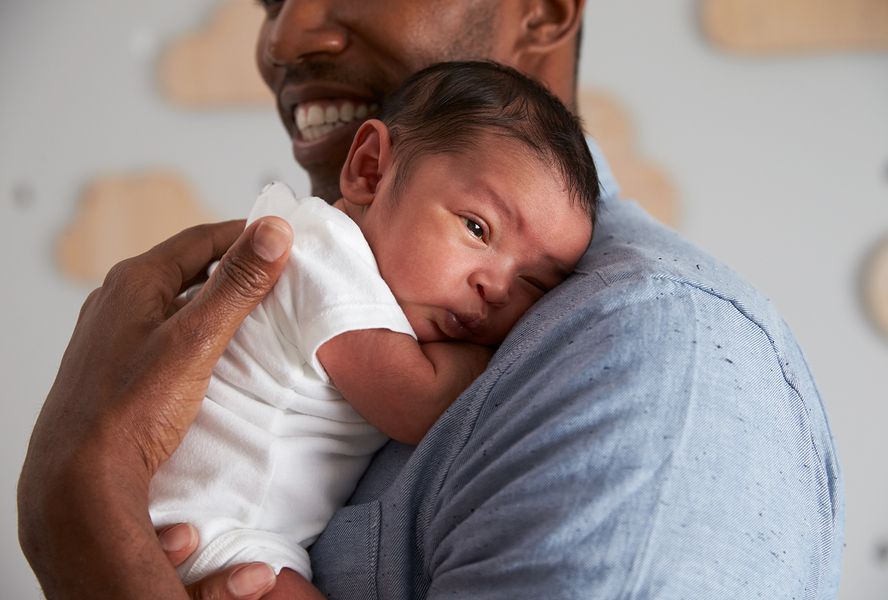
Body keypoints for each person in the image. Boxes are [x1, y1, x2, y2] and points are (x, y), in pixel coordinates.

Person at [17, 1, 844, 599]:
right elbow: (410, 395)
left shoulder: (654, 358)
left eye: (537, 284)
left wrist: (85, 520)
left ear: (544, 12)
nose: (285, 34)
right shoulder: (345, 269)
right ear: (371, 171)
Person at [148, 60, 598, 593]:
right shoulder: (323, 257)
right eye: (477, 228)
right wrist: (500, 355)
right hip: (206, 526)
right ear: (370, 171)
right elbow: (419, 403)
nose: (497, 289)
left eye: (536, 284)